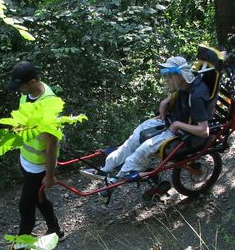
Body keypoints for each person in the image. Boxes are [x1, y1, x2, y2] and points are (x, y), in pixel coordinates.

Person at [81, 56, 212, 182]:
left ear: (181, 75)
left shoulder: (196, 96)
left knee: (142, 150)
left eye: (170, 76)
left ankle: (116, 179)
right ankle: (106, 169)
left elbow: (204, 131)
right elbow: (179, 94)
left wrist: (178, 124)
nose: (166, 80)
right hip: (167, 122)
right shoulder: (184, 86)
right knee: (133, 140)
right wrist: (166, 101)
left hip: (181, 132)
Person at [6, 61, 65, 249]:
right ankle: (55, 231)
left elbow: (51, 145)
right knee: (38, 199)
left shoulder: (49, 104)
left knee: (25, 205)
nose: (19, 91)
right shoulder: (28, 94)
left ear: (32, 81)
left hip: (38, 165)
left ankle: (19, 248)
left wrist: (50, 175)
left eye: (21, 86)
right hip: (26, 159)